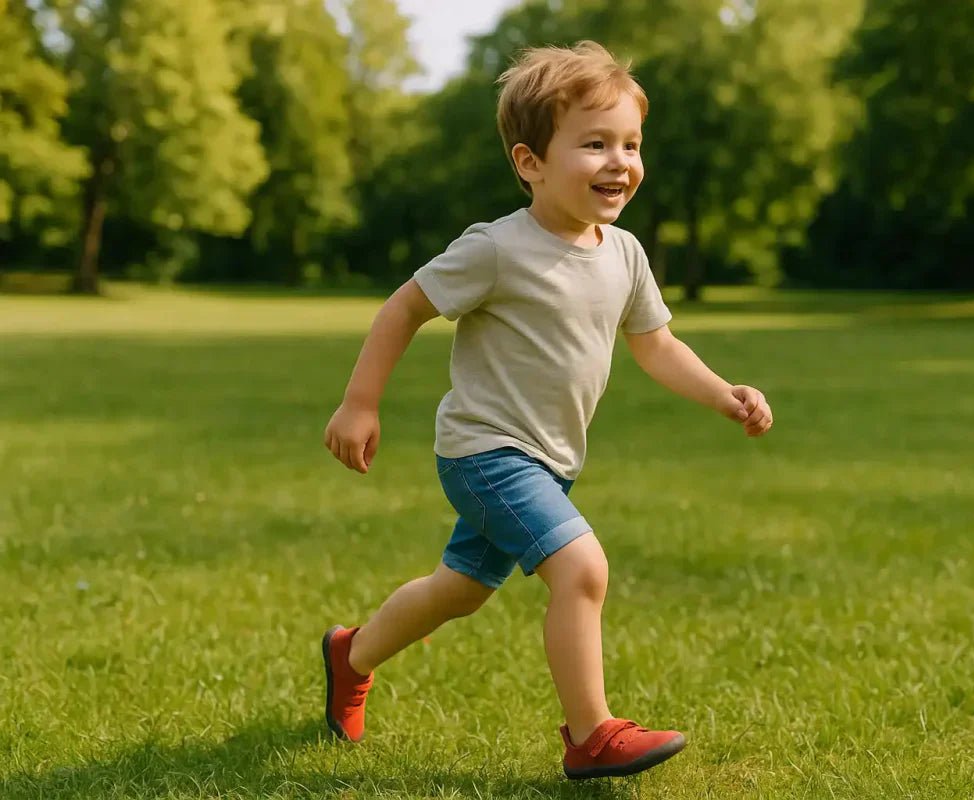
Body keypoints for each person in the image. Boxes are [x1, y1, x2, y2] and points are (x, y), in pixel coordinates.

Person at [320, 40, 774, 780]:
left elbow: (657, 347)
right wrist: (360, 402)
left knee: (458, 592)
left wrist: (725, 394)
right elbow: (404, 309)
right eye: (594, 144)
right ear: (531, 162)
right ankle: (591, 736)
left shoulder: (625, 254)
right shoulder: (498, 248)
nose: (619, 162)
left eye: (630, 143)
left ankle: (352, 653)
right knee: (582, 568)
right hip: (485, 453)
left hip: (552, 460)